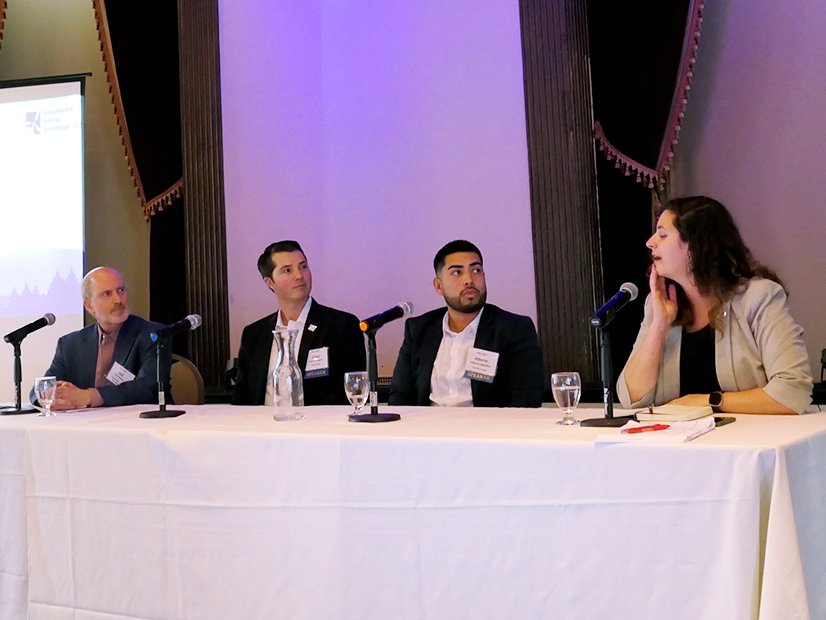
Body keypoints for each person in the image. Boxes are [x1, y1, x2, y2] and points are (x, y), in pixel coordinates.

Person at [618, 196, 813, 414]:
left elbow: (793, 391)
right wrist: (659, 326)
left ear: (695, 248)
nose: (650, 242)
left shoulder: (759, 297)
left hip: (747, 443)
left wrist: (709, 401)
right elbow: (630, 397)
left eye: (663, 234)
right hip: (677, 445)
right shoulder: (658, 305)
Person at [389, 240, 544, 407]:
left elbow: (526, 400)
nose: (469, 280)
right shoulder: (419, 329)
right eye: (457, 272)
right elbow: (400, 395)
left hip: (487, 429)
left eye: (476, 270)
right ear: (438, 285)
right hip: (428, 429)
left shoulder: (514, 329)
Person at [232, 240, 366, 406]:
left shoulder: (342, 326)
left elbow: (347, 393)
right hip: (263, 426)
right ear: (270, 283)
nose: (299, 275)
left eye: (303, 266)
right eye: (287, 270)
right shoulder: (253, 334)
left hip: (317, 426)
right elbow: (242, 398)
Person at [34, 267, 171, 410]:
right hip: (86, 426)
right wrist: (47, 398)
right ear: (89, 305)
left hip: (139, 423)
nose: (118, 300)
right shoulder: (70, 344)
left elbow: (150, 388)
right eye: (107, 294)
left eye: (121, 290)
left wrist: (88, 396)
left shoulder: (153, 335)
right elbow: (44, 386)